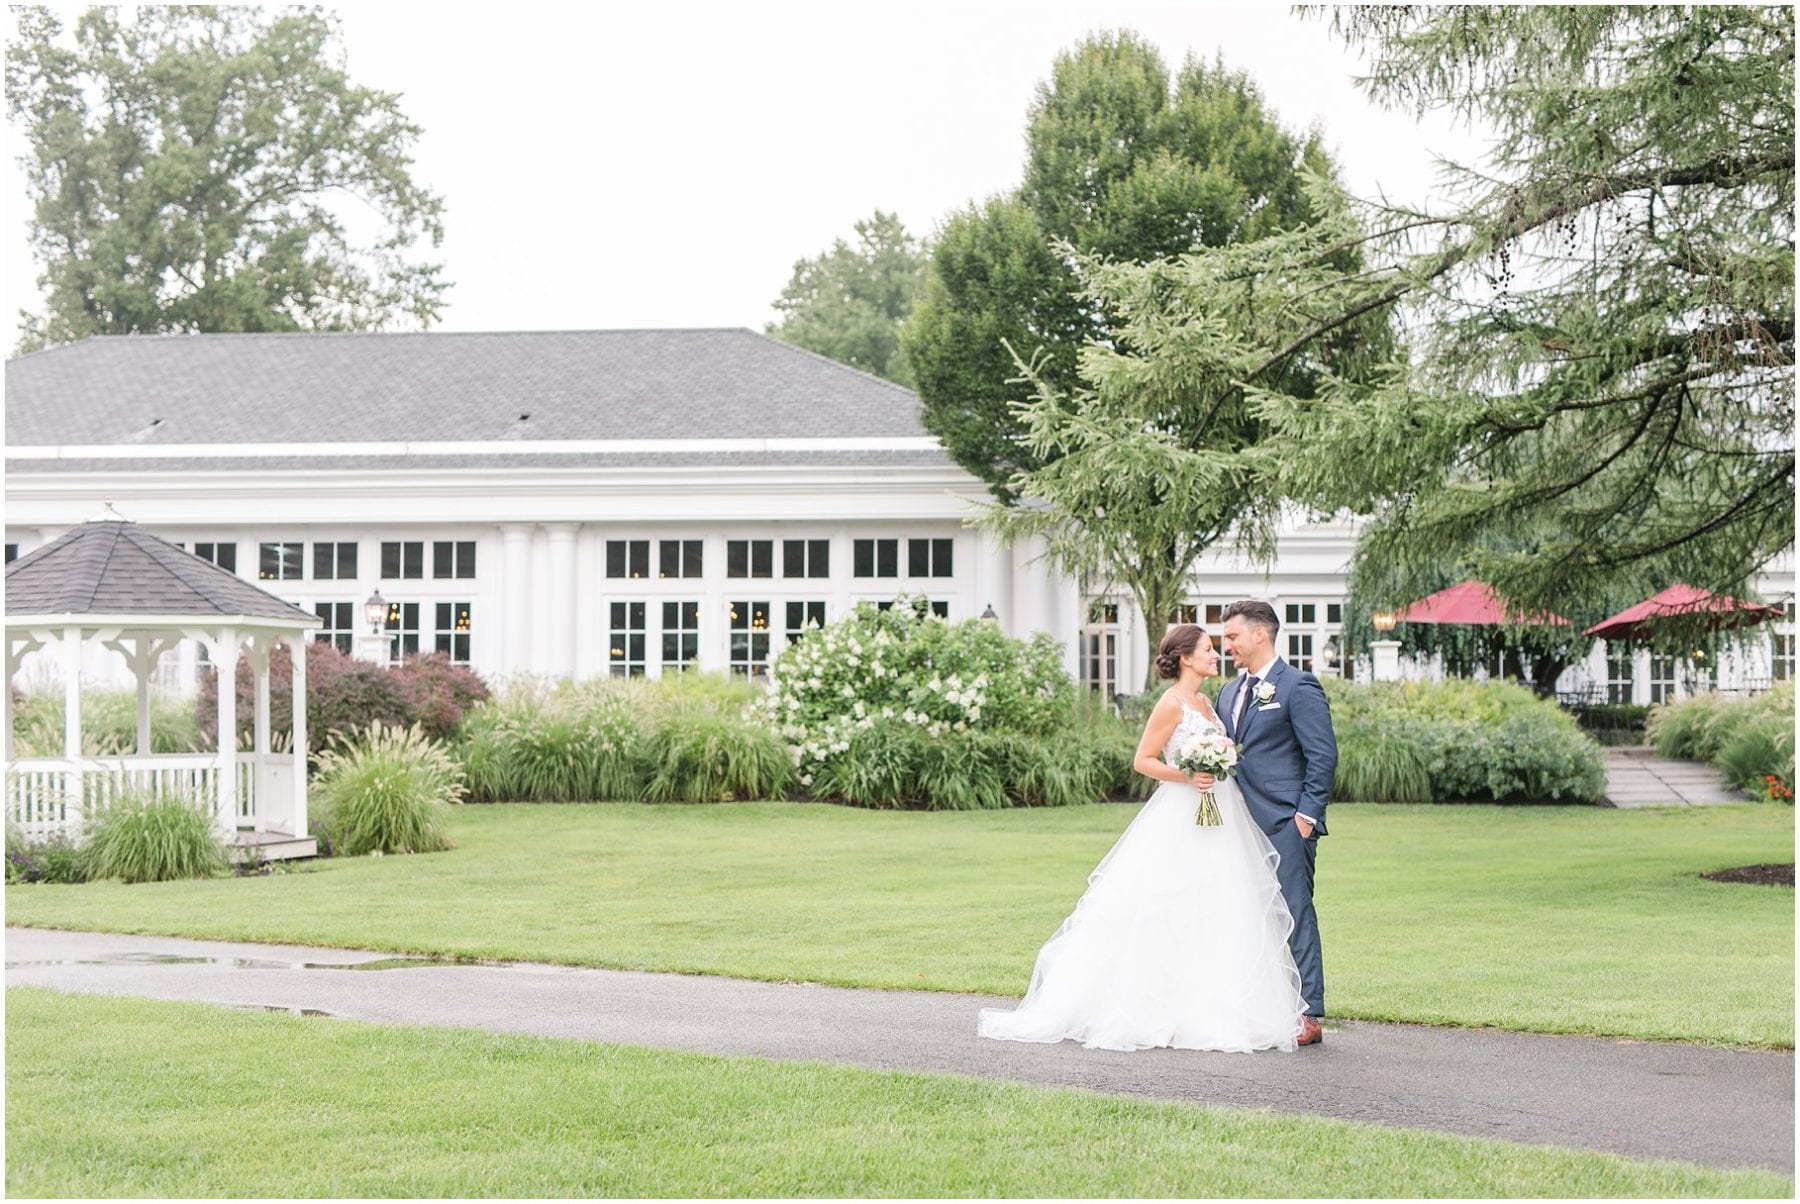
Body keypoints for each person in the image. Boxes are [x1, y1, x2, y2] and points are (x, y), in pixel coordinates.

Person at [977, 623, 1308, 1053]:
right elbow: (1143, 760)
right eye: (1209, 649)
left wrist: (1214, 768)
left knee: (1220, 904)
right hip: (1182, 812)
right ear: (1186, 658)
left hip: (1222, 814)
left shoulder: (1208, 701)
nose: (1216, 654)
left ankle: (1217, 1006)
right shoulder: (1171, 704)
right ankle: (1155, 1008)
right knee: (1169, 904)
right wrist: (1187, 775)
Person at [1218, 599, 1337, 1047]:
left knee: (1294, 912)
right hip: (1237, 828)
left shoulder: (1297, 686)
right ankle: (1258, 1005)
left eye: (1232, 636)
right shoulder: (1228, 693)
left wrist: (1305, 818)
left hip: (1285, 822)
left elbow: (1322, 755)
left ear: (1260, 635)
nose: (1226, 645)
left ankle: (1310, 1013)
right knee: (1247, 915)